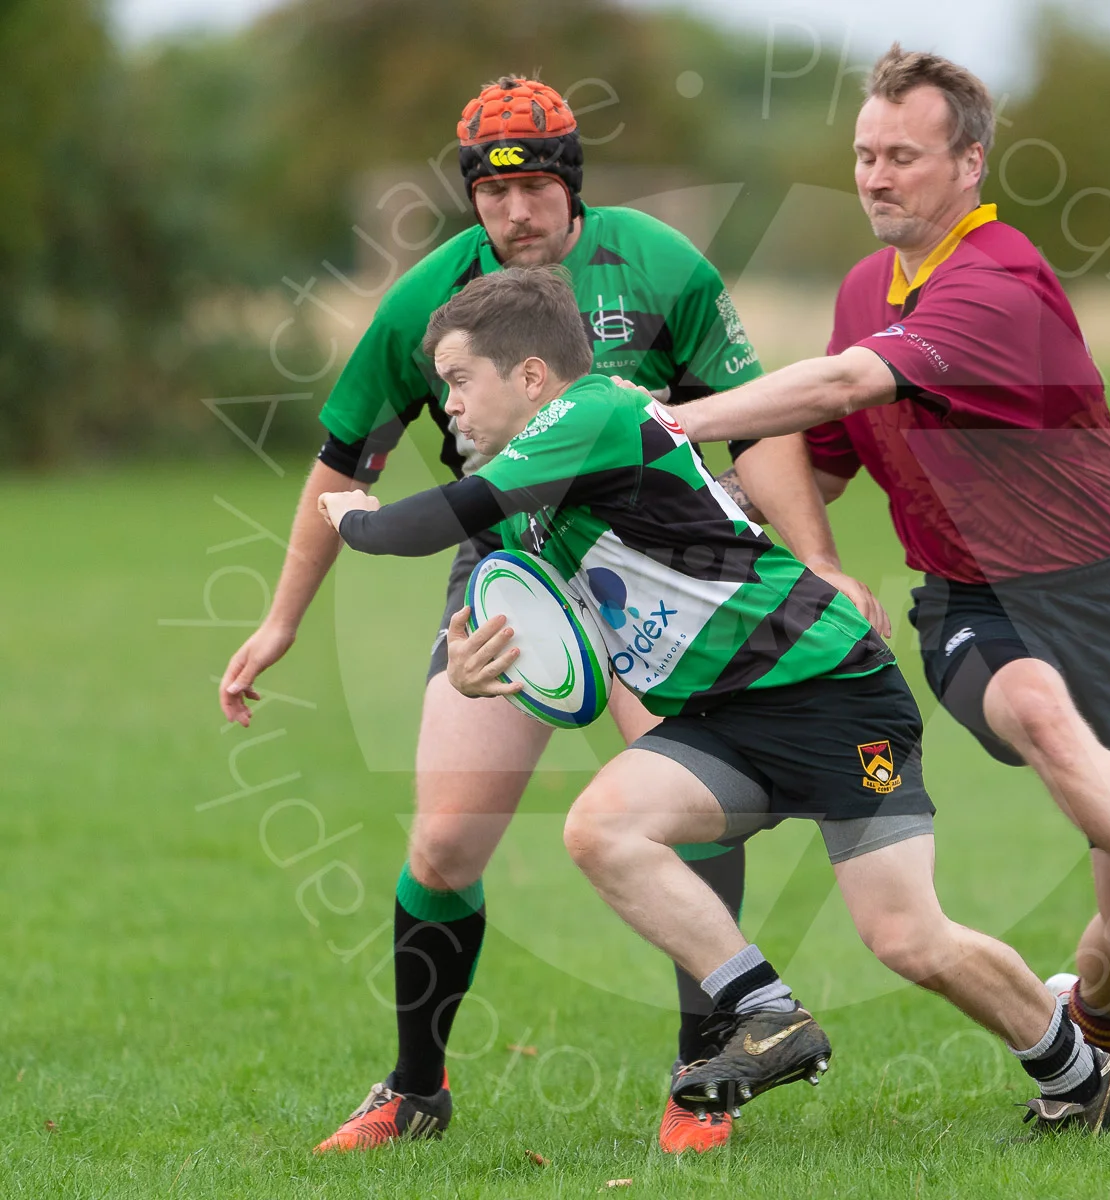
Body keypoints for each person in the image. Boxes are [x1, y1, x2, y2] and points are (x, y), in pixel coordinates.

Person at [216, 75, 881, 1154]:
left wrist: (820, 564)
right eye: (492, 192)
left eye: (535, 188)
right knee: (444, 842)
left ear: (574, 183)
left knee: (687, 813)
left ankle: (702, 1078)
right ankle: (414, 1090)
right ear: (471, 196)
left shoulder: (660, 266)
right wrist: (283, 619)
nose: (516, 211)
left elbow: (757, 432)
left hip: (662, 581)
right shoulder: (428, 303)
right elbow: (345, 462)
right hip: (512, 579)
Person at [321, 265, 1110, 1136]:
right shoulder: (533, 497)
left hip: (829, 691)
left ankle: (1079, 1074)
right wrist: (481, 664)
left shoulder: (594, 413)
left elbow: (427, 521)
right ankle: (768, 1013)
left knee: (907, 936)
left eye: (458, 379)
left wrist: (354, 517)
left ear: (529, 375)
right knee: (601, 828)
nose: (447, 405)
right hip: (727, 717)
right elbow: (557, 630)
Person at [672, 45, 1110, 1077]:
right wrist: (752, 529)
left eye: (903, 157)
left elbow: (841, 385)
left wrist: (674, 420)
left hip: (1109, 601)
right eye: (865, 155)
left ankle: (1095, 1030)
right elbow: (815, 458)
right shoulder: (864, 287)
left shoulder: (998, 282)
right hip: (972, 600)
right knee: (1036, 708)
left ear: (970, 163)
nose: (876, 177)